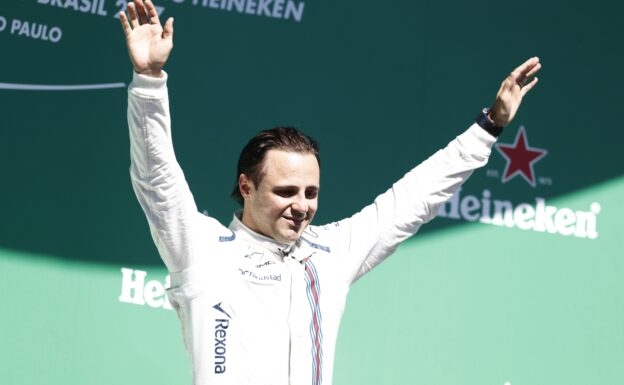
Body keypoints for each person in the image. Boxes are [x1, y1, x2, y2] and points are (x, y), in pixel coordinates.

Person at [120, 1, 541, 384]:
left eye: (311, 192)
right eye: (286, 191)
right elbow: (157, 179)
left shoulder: (330, 251)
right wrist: (150, 81)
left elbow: (415, 198)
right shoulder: (204, 249)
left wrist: (489, 126)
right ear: (246, 186)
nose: (302, 207)